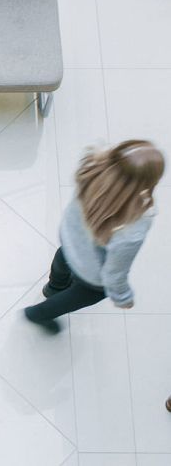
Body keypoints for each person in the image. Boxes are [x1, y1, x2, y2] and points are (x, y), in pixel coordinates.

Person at [24, 140, 164, 332]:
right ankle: (37, 314)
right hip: (91, 272)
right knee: (83, 295)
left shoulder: (91, 171)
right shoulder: (134, 225)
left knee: (63, 257)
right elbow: (114, 273)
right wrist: (123, 297)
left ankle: (54, 287)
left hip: (70, 239)